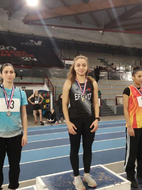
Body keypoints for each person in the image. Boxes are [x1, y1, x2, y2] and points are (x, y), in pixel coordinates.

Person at [0, 63, 28, 190]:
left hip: (15, 136)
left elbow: (24, 115)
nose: (9, 74)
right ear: (1, 74)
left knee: (15, 167)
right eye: (6, 72)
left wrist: (25, 133)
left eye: (11, 72)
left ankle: (13, 187)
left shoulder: (20, 93)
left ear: (14, 74)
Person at [62, 55, 100, 190]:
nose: (81, 67)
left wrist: (96, 119)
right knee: (74, 149)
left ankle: (87, 175)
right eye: (78, 65)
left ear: (87, 67)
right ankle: (77, 177)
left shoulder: (93, 82)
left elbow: (96, 103)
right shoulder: (69, 83)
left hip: (89, 121)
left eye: (84, 65)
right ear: (74, 67)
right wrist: (68, 123)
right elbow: (64, 105)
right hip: (74, 121)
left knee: (88, 149)